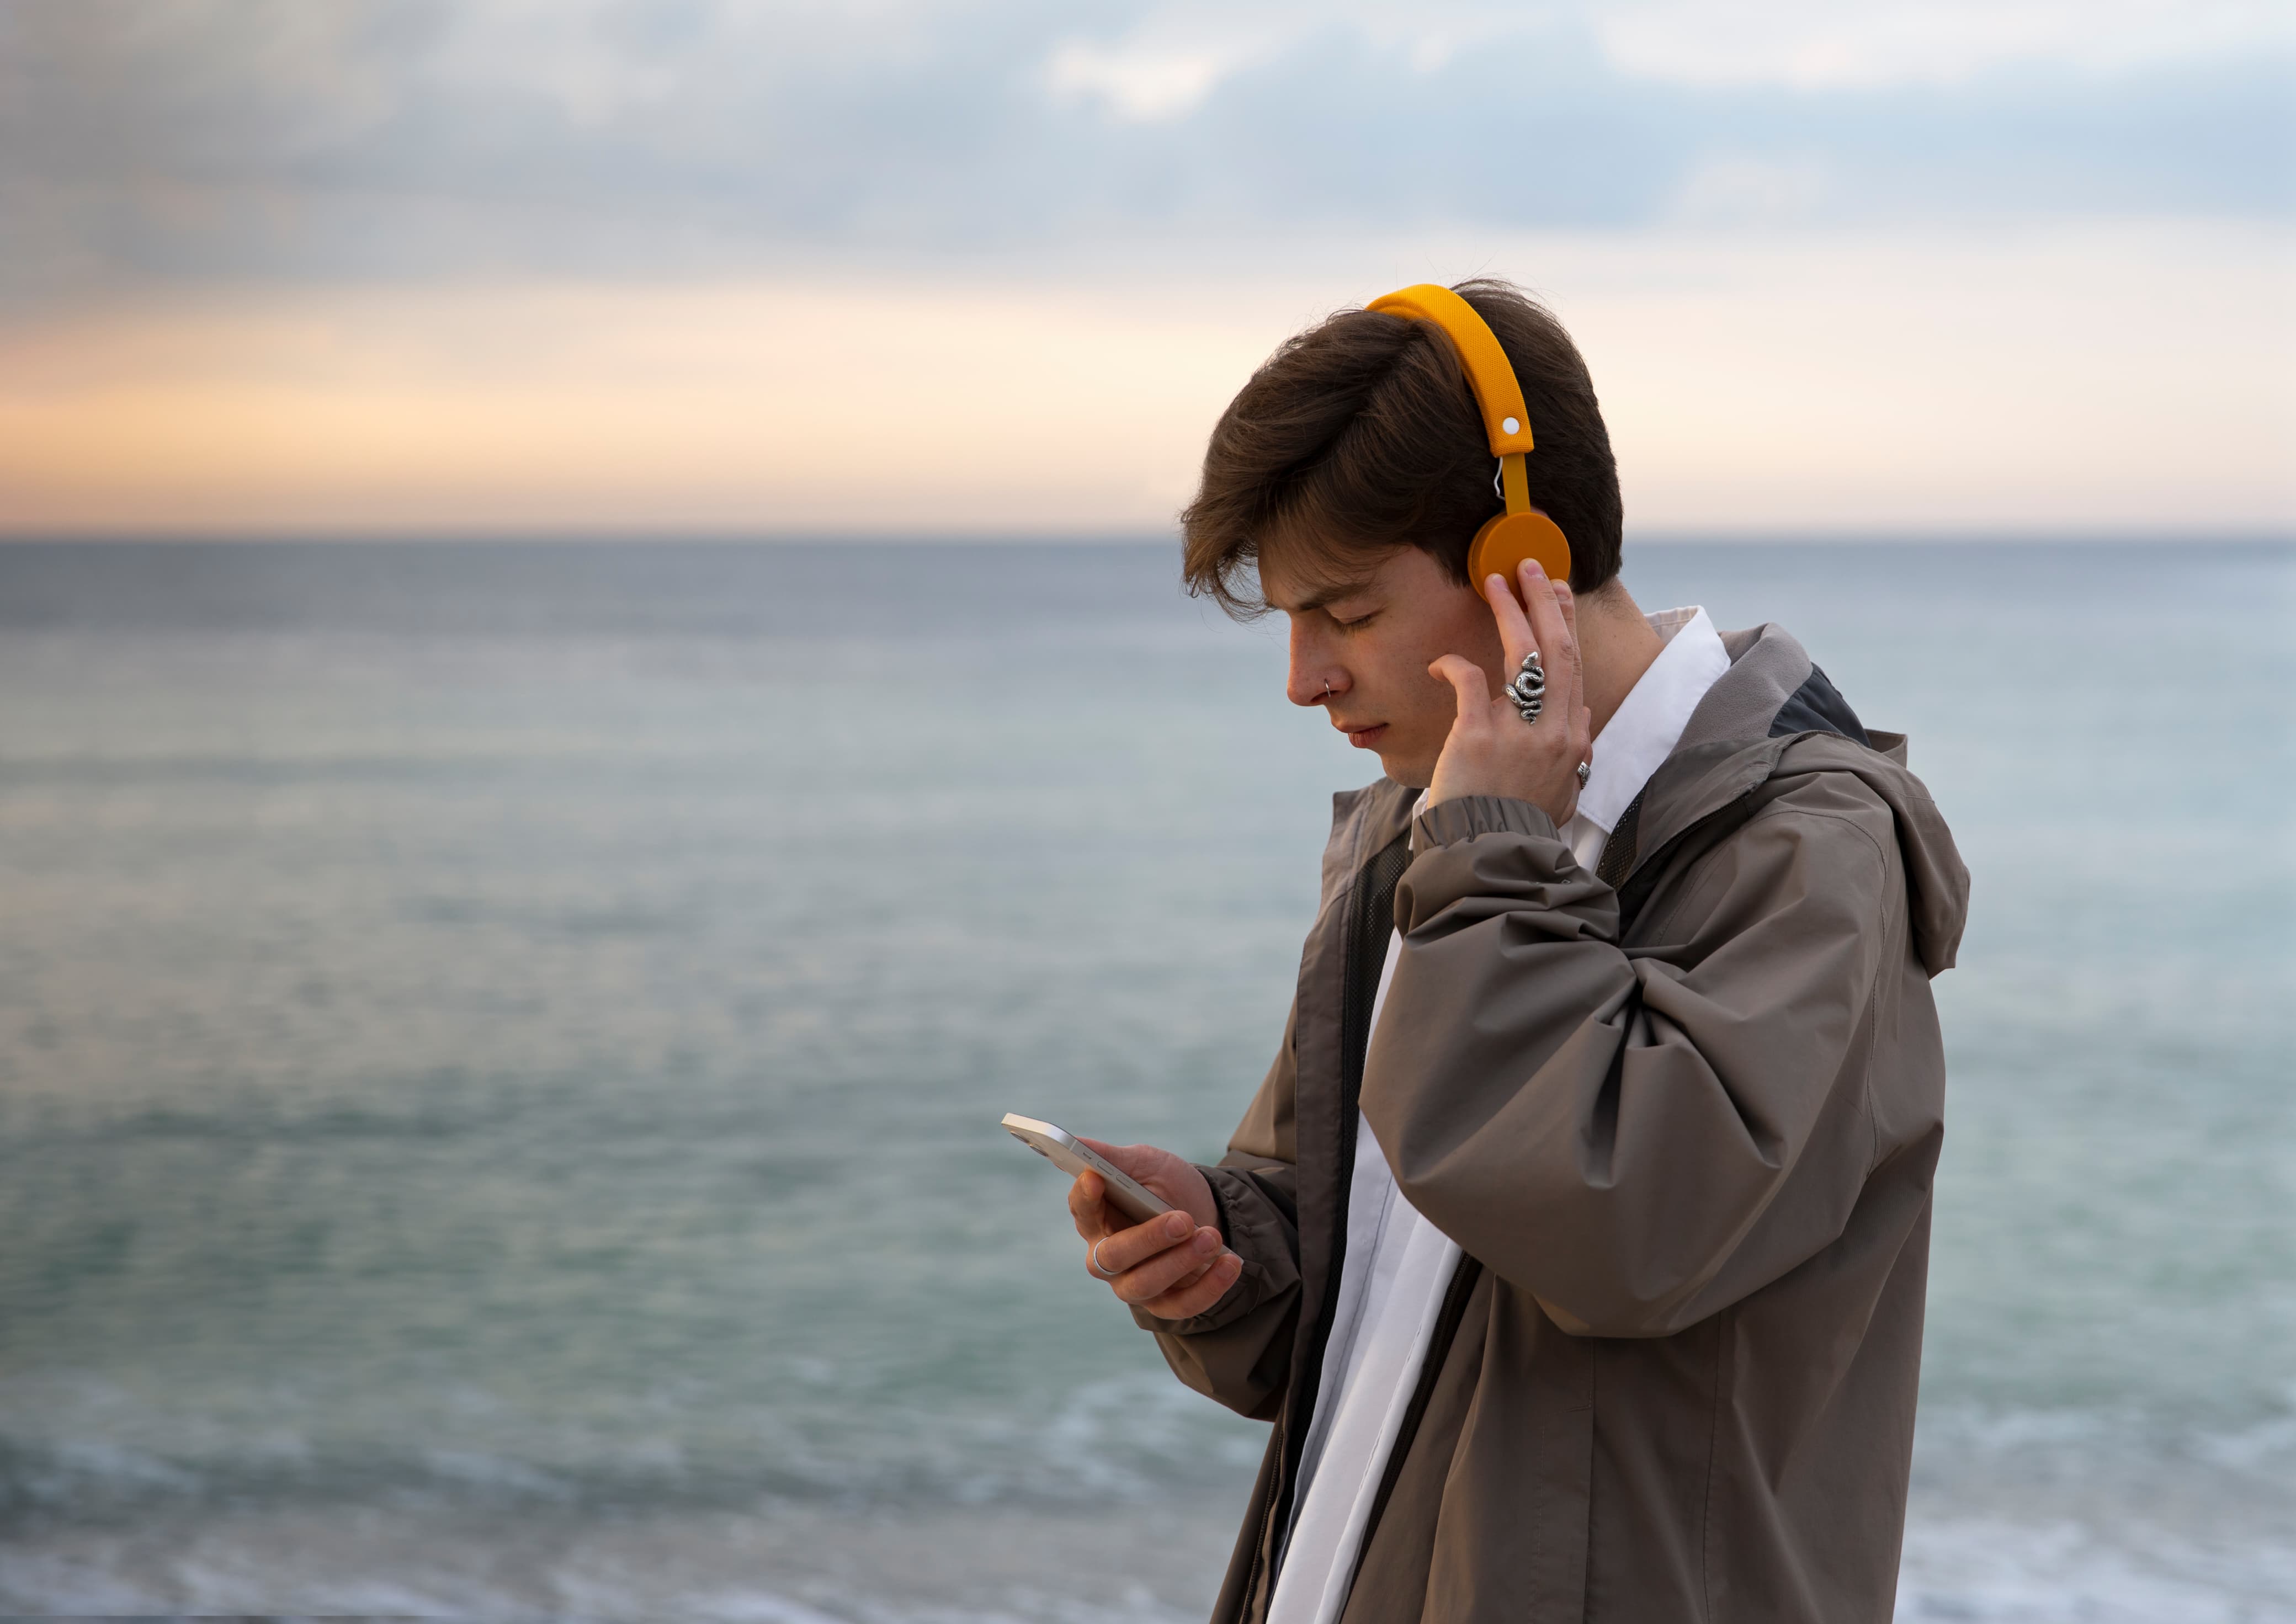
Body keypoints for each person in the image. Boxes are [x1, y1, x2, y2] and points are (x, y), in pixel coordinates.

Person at [1060, 279, 1971, 1623]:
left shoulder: (1802, 848)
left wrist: (1489, 850)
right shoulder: (1426, 831)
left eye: (1348, 614)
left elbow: (1622, 1224)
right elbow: (1363, 1267)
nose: (1303, 677)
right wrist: (1221, 1250)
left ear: (1519, 566)